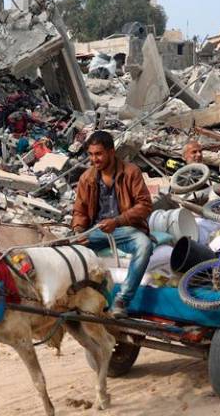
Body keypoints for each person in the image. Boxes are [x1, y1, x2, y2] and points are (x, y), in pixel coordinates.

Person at [72, 131, 153, 318]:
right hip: (97, 231)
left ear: (111, 152)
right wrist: (79, 231)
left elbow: (145, 205)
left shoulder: (131, 172)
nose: (94, 159)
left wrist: (117, 221)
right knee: (67, 250)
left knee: (144, 245)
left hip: (124, 229)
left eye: (98, 154)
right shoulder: (87, 178)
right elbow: (79, 211)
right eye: (91, 155)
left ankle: (122, 300)